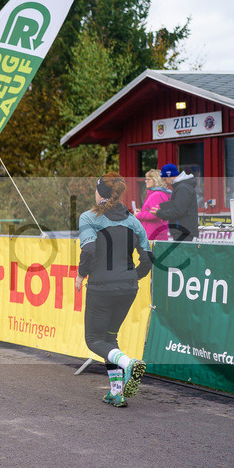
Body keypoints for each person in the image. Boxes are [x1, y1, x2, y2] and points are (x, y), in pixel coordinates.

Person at [74, 172, 153, 408]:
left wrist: (80, 274)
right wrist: (130, 277)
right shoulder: (132, 220)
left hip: (102, 287)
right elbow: (148, 258)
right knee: (109, 339)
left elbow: (88, 250)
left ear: (100, 192)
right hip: (128, 288)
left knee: (93, 340)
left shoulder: (88, 218)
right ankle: (116, 392)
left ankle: (129, 364)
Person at [155, 163, 199, 241]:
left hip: (182, 230)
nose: (164, 182)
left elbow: (179, 211)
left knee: (182, 252)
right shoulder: (181, 187)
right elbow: (178, 207)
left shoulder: (182, 188)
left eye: (165, 179)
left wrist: (160, 213)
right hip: (182, 229)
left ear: (171, 176)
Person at [135, 169, 171, 241]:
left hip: (153, 234)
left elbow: (154, 214)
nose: (146, 181)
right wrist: (142, 211)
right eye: (146, 179)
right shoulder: (160, 193)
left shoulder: (156, 195)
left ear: (156, 180)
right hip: (156, 233)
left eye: (148, 179)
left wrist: (139, 215)